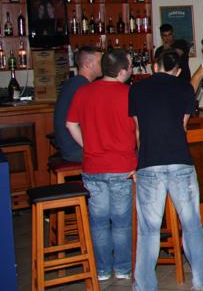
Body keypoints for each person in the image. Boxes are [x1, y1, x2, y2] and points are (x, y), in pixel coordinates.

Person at [129, 49, 203, 290]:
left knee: (148, 228)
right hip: (180, 160)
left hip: (149, 161)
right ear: (178, 71)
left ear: (155, 66)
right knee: (191, 222)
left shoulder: (136, 89)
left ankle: (145, 284)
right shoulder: (185, 88)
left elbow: (138, 131)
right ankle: (201, 277)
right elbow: (182, 126)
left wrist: (140, 161)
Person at [65, 49, 136, 281]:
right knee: (121, 223)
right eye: (130, 65)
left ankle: (103, 270)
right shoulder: (129, 93)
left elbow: (70, 124)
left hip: (93, 166)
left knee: (98, 223)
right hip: (122, 166)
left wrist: (87, 145)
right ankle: (123, 268)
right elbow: (139, 129)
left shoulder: (84, 91)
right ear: (123, 71)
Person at [53, 47, 102, 163]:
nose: (103, 65)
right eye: (100, 62)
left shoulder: (74, 83)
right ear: (88, 64)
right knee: (122, 154)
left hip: (68, 145)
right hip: (75, 149)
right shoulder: (83, 87)